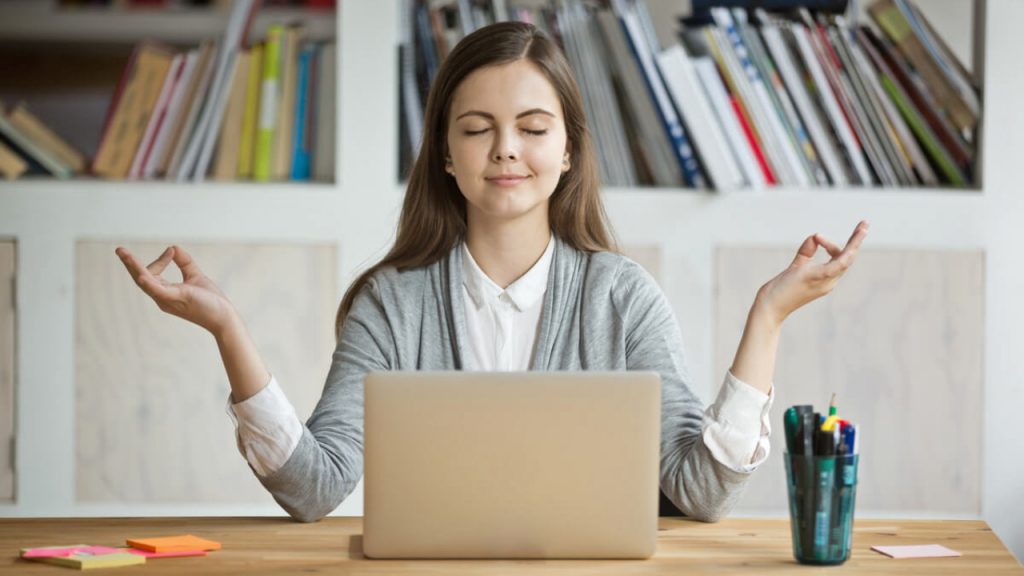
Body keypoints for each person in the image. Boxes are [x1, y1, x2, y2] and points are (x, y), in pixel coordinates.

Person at [115, 21, 868, 523]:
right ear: (446, 154)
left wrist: (767, 316)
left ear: (568, 150)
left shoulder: (622, 297)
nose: (506, 149)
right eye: (478, 130)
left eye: (533, 130)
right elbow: (315, 490)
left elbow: (699, 493)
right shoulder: (392, 303)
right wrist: (227, 329)